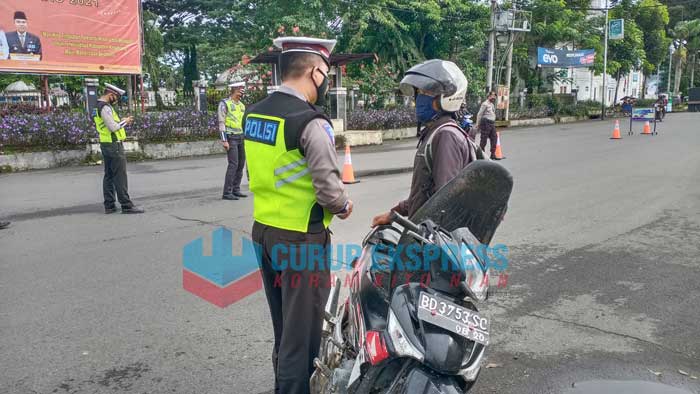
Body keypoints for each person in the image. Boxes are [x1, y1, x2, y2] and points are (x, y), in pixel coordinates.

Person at [244, 36, 353, 394]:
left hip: (264, 232)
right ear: (313, 71)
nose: (326, 80)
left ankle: (283, 380)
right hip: (301, 241)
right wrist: (343, 206)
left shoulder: (254, 113)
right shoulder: (309, 121)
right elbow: (328, 188)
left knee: (284, 325)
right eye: (326, 73)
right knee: (302, 333)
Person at [372, 59, 477, 225]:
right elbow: (424, 194)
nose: (419, 98)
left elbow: (444, 200)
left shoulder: (446, 136)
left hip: (433, 241)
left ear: (447, 98)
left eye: (426, 93)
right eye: (419, 92)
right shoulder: (435, 133)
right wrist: (394, 214)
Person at [94, 83, 144, 214]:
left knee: (109, 176)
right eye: (116, 97)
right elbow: (113, 127)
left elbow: (106, 125)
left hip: (106, 143)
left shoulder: (97, 106)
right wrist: (125, 122)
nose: (116, 99)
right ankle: (126, 205)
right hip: (113, 145)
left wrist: (120, 121)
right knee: (120, 176)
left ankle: (109, 205)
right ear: (110, 95)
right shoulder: (104, 107)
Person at [218, 81, 247, 200]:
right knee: (233, 164)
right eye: (240, 89)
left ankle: (236, 189)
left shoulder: (241, 105)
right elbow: (221, 123)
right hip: (231, 137)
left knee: (241, 164)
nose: (242, 91)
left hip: (241, 137)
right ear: (234, 89)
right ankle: (227, 192)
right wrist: (224, 140)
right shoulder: (224, 104)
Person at [476, 91, 499, 160]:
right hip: (486, 123)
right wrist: (477, 124)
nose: (494, 97)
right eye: (493, 96)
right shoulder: (485, 104)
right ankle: (481, 155)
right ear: (488, 96)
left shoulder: (492, 104)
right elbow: (479, 114)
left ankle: (493, 154)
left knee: (494, 138)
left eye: (495, 96)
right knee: (484, 139)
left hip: (491, 123)